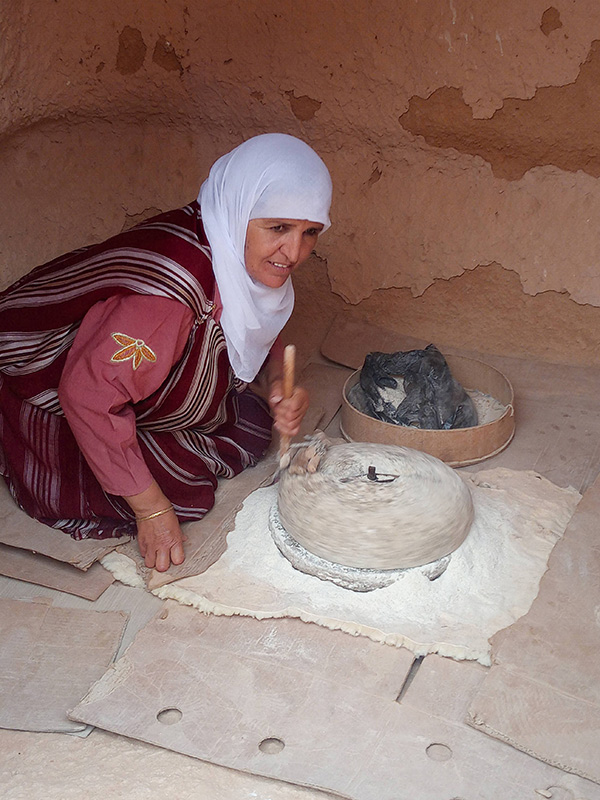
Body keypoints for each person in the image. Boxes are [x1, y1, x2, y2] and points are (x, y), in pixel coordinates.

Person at [0, 133, 332, 572]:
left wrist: (277, 388)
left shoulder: (230, 246)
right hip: (42, 390)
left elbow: (252, 342)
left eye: (310, 233)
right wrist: (151, 511)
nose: (293, 252)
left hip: (118, 379)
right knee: (183, 489)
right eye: (278, 228)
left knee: (251, 424)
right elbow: (86, 396)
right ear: (240, 211)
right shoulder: (170, 299)